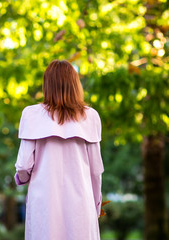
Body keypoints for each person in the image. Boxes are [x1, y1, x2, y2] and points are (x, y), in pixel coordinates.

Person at [14, 59, 104, 240]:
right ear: (75, 84)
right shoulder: (90, 116)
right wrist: (96, 205)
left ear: (47, 84)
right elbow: (96, 170)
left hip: (44, 204)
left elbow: (23, 166)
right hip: (81, 205)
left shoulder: (31, 114)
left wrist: (22, 179)